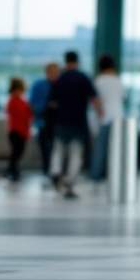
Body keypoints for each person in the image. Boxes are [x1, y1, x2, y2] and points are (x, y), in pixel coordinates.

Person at [48, 51, 102, 199]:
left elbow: (52, 102)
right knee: (76, 154)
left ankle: (55, 171)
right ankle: (70, 182)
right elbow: (94, 98)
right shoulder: (83, 78)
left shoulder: (60, 79)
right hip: (78, 122)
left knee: (58, 150)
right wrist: (100, 113)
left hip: (61, 121)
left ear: (65, 61)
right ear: (77, 62)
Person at [90, 55, 124, 181]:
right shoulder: (118, 80)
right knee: (116, 147)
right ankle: (115, 174)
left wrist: (99, 112)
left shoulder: (98, 81)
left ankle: (96, 174)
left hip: (103, 117)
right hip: (118, 116)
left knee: (100, 148)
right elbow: (122, 97)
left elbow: (95, 100)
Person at [29, 63, 59, 177]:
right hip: (43, 122)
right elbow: (32, 104)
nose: (54, 75)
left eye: (56, 72)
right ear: (47, 72)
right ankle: (47, 170)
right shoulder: (39, 85)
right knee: (45, 147)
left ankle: (55, 170)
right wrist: (47, 106)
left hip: (58, 123)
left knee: (56, 148)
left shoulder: (61, 85)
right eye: (51, 72)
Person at [5, 77, 32, 182]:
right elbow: (24, 115)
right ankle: (11, 172)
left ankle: (12, 171)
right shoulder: (14, 101)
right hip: (17, 131)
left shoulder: (18, 100)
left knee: (17, 153)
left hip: (19, 131)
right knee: (16, 153)